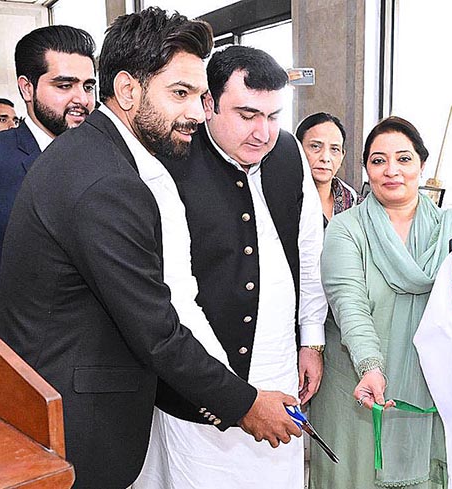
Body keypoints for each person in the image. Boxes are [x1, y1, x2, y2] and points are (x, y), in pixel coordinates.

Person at [0, 9, 300, 488]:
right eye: (180, 94)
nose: (197, 113)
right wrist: (245, 403)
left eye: (200, 96)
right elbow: (155, 330)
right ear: (129, 90)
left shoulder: (104, 155)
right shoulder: (106, 180)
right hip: (73, 425)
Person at [135, 45, 327, 489]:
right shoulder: (171, 163)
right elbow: (171, 297)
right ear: (208, 104)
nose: (263, 132)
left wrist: (311, 340)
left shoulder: (288, 152)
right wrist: (230, 393)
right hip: (199, 380)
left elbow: (309, 251)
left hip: (281, 366)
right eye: (246, 115)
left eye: (274, 115)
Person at [309, 116, 452, 489]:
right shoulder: (346, 229)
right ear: (365, 168)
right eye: (378, 160)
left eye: (404, 159)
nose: (391, 170)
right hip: (357, 383)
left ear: (421, 165)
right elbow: (350, 306)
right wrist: (370, 366)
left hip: (431, 384)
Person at [0, 26, 96, 325]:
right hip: (7, 355)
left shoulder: (104, 158)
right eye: (64, 85)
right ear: (27, 88)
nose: (81, 98)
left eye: (88, 86)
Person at [296, 112, 358, 225]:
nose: (325, 158)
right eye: (315, 146)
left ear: (342, 156)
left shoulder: (354, 203)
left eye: (334, 149)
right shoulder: (281, 200)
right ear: (297, 149)